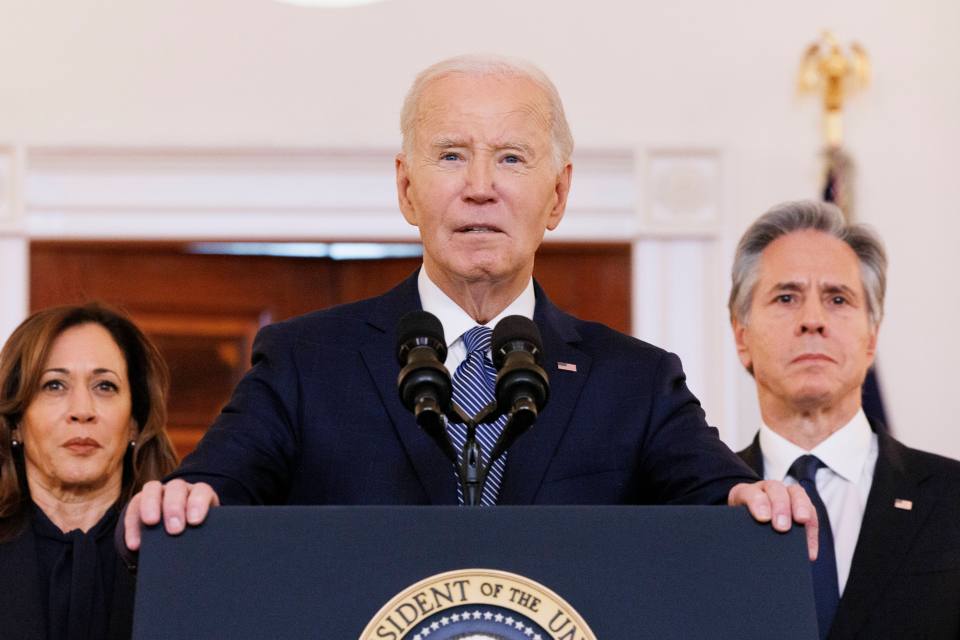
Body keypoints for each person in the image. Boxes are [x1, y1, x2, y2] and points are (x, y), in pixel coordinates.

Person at [122, 54, 816, 557]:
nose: (481, 186)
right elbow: (215, 486)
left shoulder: (633, 381)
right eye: (452, 155)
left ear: (559, 196)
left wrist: (749, 502)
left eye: (512, 158)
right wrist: (189, 499)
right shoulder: (306, 362)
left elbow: (718, 496)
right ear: (406, 188)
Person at [730, 200, 960, 639]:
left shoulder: (952, 499)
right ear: (742, 337)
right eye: (786, 297)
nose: (812, 320)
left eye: (838, 299)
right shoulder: (702, 503)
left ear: (871, 337)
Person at [0, 303, 178, 640]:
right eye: (54, 385)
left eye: (104, 387)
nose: (82, 411)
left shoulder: (186, 559)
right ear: (16, 424)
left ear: (135, 425)